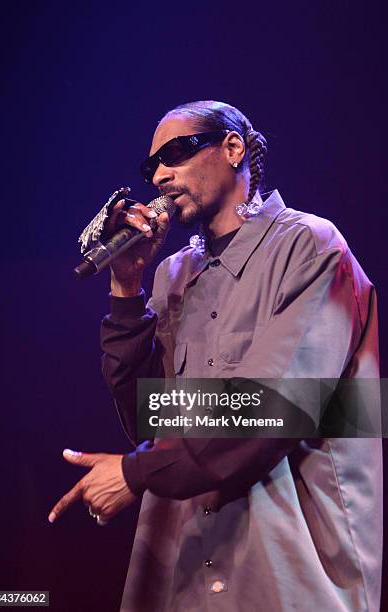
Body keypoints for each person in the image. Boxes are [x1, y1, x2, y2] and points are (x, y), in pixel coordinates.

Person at [49, 101, 383, 611]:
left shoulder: (311, 247)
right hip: (184, 576)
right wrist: (126, 289)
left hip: (286, 574)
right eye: (150, 166)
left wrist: (134, 475)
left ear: (233, 149)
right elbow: (151, 418)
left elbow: (274, 407)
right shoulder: (174, 274)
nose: (160, 175)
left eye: (177, 154)